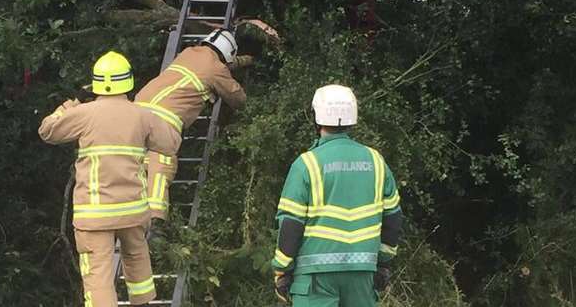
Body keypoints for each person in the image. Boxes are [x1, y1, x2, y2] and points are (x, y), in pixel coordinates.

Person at [39, 51, 181, 307]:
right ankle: (143, 303)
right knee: (138, 263)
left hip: (95, 214)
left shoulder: (84, 113)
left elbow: (47, 130)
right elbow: (171, 143)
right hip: (133, 210)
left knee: (99, 277)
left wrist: (73, 103)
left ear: (95, 83)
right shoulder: (141, 115)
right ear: (128, 81)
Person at [272, 84, 403, 306]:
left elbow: (291, 224)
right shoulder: (376, 161)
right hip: (363, 273)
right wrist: (383, 262)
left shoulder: (307, 164)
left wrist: (282, 269)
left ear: (316, 117)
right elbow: (393, 218)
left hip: (315, 277)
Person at [134, 29, 246, 220]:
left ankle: (130, 215)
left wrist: (244, 61)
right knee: (161, 166)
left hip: (136, 111)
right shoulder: (216, 69)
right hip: (165, 118)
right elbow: (238, 98)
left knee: (136, 164)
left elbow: (214, 68)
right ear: (227, 54)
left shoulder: (188, 53)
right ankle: (155, 223)